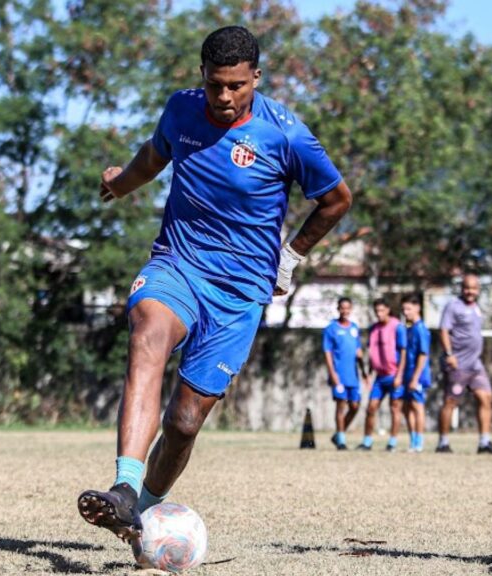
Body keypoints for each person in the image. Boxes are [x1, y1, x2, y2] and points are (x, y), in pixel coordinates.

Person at [77, 25, 352, 558]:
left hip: (241, 292)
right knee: (147, 333)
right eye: (214, 86)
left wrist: (290, 257)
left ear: (256, 78)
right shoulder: (181, 111)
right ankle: (125, 487)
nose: (224, 99)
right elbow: (151, 159)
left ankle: (142, 511)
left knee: (183, 423)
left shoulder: (287, 134)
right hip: (177, 265)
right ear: (201, 76)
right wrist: (118, 184)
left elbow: (337, 200)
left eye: (236, 87)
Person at [435, 274, 492, 455]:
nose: (470, 292)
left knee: (486, 398)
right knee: (451, 401)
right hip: (458, 364)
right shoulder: (453, 306)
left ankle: (484, 442)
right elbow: (444, 330)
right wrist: (449, 354)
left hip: (475, 364)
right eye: (467, 288)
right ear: (462, 288)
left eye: (473, 288)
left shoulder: (476, 308)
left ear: (478, 290)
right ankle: (443, 442)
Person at [358, 299, 407, 452]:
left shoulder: (397, 327)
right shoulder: (374, 329)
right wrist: (369, 374)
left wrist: (400, 375)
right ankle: (367, 441)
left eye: (381, 310)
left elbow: (403, 352)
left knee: (395, 408)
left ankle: (392, 442)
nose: (378, 314)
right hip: (379, 377)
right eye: (376, 311)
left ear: (388, 310)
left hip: (394, 375)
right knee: (371, 408)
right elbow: (373, 353)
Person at [324, 297, 364, 450]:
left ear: (351, 309)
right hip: (339, 375)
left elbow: (357, 349)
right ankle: (341, 440)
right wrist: (332, 373)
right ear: (338, 309)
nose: (345, 311)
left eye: (348, 308)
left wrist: (363, 369)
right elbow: (327, 352)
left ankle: (338, 433)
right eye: (342, 308)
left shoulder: (354, 328)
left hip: (353, 375)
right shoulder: (331, 328)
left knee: (354, 406)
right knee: (341, 406)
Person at [400, 293, 431, 452]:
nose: (405, 312)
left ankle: (419, 442)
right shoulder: (409, 328)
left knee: (417, 406)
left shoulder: (420, 329)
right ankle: (412, 440)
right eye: (404, 309)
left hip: (417, 375)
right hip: (408, 373)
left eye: (408, 309)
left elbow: (423, 354)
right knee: (406, 407)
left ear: (418, 308)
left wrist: (416, 377)